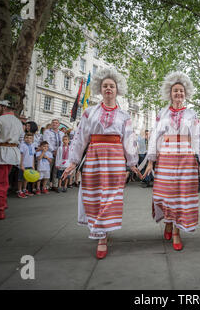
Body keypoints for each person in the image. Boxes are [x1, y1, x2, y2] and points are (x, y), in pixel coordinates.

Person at [62, 67, 141, 259]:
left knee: (110, 195)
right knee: (95, 194)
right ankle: (101, 231)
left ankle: (102, 236)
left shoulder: (124, 116)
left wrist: (132, 163)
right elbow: (80, 137)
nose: (108, 89)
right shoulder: (90, 112)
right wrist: (72, 162)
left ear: (117, 89)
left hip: (114, 158)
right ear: (100, 88)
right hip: (94, 157)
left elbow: (129, 140)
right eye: (105, 86)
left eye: (111, 86)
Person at [143, 71, 200, 252]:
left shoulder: (191, 114)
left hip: (186, 158)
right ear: (170, 94)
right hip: (166, 157)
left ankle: (176, 231)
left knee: (182, 194)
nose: (178, 94)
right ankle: (168, 221)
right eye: (175, 91)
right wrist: (151, 160)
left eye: (181, 91)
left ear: (185, 93)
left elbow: (199, 138)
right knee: (164, 194)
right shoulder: (162, 113)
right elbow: (155, 137)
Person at [43, 119, 64, 191]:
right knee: (48, 169)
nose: (54, 124)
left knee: (56, 169)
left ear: (59, 125)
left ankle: (55, 185)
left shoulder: (61, 133)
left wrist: (59, 151)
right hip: (49, 153)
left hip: (59, 154)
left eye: (56, 123)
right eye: (53, 123)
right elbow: (46, 142)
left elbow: (63, 143)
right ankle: (47, 185)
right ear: (51, 124)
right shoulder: (47, 132)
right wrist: (53, 150)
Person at [17, 132, 36, 198]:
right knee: (21, 178)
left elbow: (33, 156)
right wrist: (21, 165)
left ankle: (24, 190)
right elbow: (21, 155)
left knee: (26, 178)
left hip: (29, 164)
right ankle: (19, 191)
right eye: (27, 138)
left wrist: (33, 165)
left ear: (32, 139)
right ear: (24, 138)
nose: (28, 139)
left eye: (30, 138)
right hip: (23, 165)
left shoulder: (32, 145)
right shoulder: (22, 145)